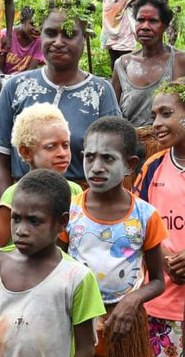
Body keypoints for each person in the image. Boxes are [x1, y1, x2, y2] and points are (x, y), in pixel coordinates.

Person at [0, 1, 122, 200]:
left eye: (68, 34)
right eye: (50, 33)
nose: (58, 42)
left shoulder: (100, 92)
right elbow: (0, 161)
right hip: (24, 202)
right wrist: (10, 211)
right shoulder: (16, 87)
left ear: (84, 38)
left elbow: (112, 161)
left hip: (81, 207)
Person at [0, 169, 105, 356]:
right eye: (16, 218)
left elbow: (85, 347)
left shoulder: (76, 278)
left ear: (62, 222)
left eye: (34, 221)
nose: (21, 230)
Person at [59, 116, 167, 356]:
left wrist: (134, 299)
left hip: (124, 324)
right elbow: (55, 265)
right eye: (90, 156)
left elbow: (158, 281)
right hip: (77, 319)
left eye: (108, 158)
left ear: (130, 164)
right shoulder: (69, 211)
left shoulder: (145, 216)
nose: (96, 166)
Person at [0, 103, 82, 251]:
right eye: (51, 147)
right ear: (26, 152)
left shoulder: (75, 192)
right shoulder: (14, 195)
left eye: (65, 145)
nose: (62, 153)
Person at [133, 79, 185, 356]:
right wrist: (164, 260)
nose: (155, 123)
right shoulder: (152, 167)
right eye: (154, 115)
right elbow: (135, 222)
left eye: (167, 113)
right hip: (162, 302)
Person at [111, 0, 185, 128]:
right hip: (132, 144)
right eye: (140, 20)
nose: (145, 27)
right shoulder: (123, 65)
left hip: (170, 144)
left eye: (153, 21)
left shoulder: (179, 61)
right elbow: (112, 114)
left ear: (165, 26)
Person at [0, 6, 44, 75]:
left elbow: (30, 72)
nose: (37, 29)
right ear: (22, 21)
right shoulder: (5, 35)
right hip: (3, 80)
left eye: (40, 25)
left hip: (23, 81)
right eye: (32, 24)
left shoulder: (38, 41)